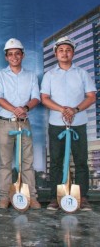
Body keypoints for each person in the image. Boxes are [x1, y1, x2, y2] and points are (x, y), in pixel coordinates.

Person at [41, 36, 96, 211]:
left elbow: (91, 96)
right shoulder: (49, 75)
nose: (65, 53)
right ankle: (56, 198)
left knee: (81, 161)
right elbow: (44, 98)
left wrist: (75, 110)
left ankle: (83, 197)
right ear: (56, 53)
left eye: (68, 50)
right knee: (56, 161)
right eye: (61, 50)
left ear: (73, 53)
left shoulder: (82, 73)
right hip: (56, 124)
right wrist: (63, 109)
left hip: (78, 123)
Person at [0, 38, 41, 210]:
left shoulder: (31, 75)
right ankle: (4, 197)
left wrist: (25, 108)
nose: (14, 57)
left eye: (17, 54)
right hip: (5, 123)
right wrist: (15, 109)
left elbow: (36, 97)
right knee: (5, 163)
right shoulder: (0, 75)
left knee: (27, 162)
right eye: (10, 54)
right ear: (6, 57)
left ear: (23, 55)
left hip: (24, 122)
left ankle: (31, 197)